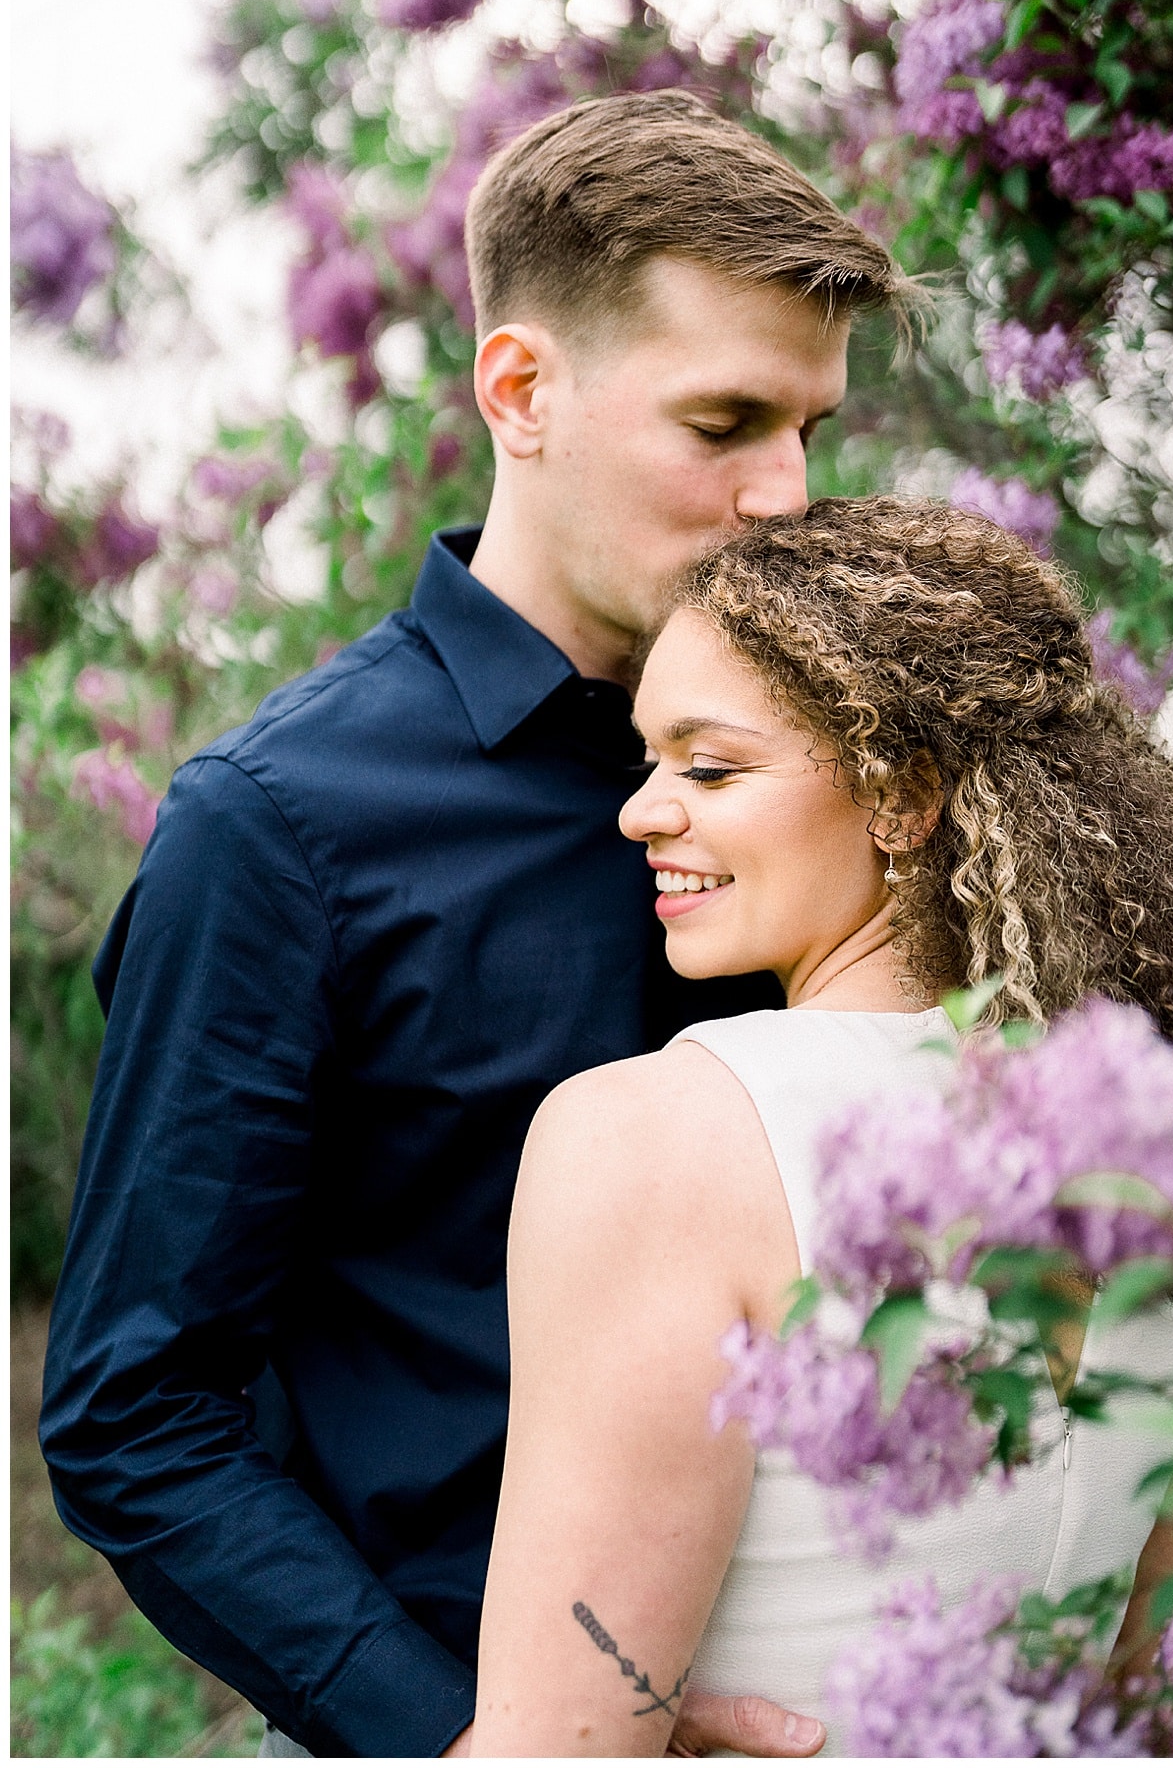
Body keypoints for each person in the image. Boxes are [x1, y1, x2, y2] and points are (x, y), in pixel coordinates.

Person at [39, 91, 917, 1758]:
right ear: (521, 390)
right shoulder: (278, 830)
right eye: (725, 422)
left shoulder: (854, 770)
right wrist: (474, 1745)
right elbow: (133, 1415)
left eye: (813, 429)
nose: (787, 497)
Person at [468, 497, 1173, 1756]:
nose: (641, 810)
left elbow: (553, 1749)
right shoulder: (1146, 1159)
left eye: (708, 765)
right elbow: (1147, 1695)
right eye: (647, 760)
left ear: (902, 795)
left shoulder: (656, 1137)